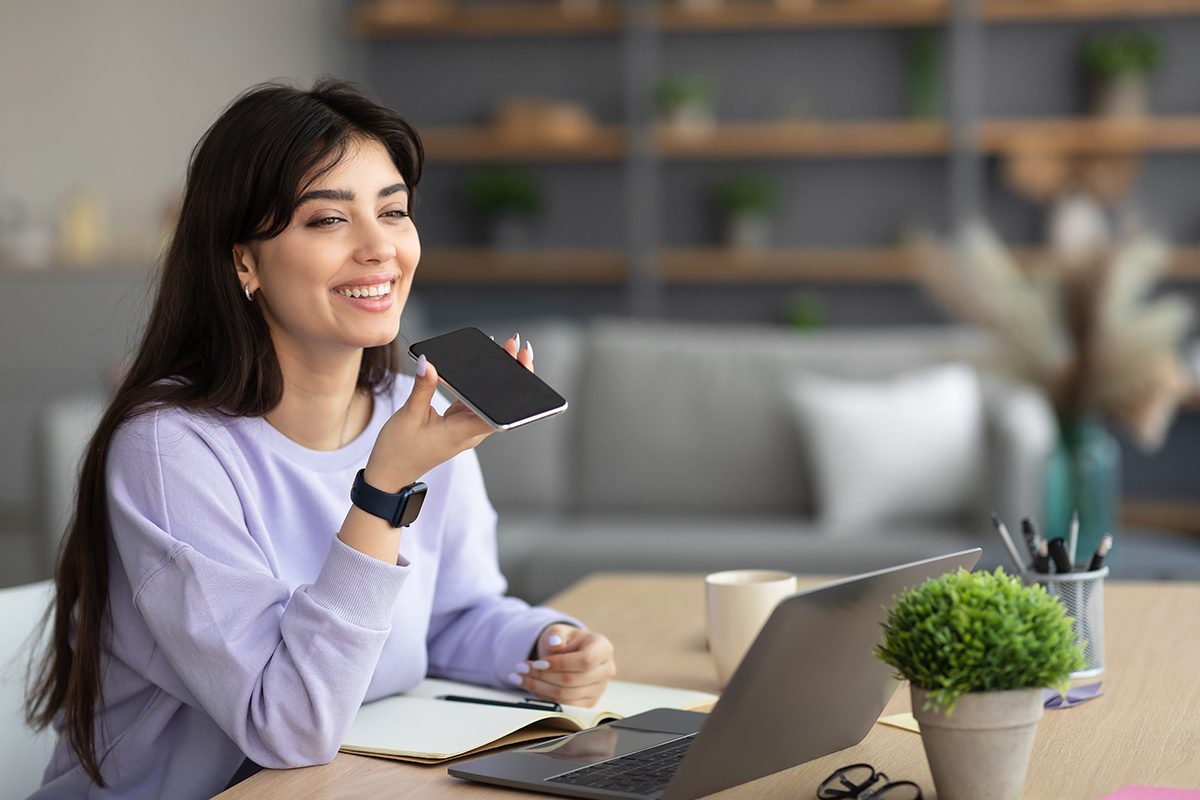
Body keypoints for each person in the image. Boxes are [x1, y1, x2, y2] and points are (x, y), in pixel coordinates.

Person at [25, 78, 616, 798]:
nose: (379, 248)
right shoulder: (170, 450)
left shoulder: (411, 412)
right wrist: (382, 493)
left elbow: (449, 617)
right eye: (328, 220)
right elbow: (288, 724)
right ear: (244, 260)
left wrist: (543, 644)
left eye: (393, 212)